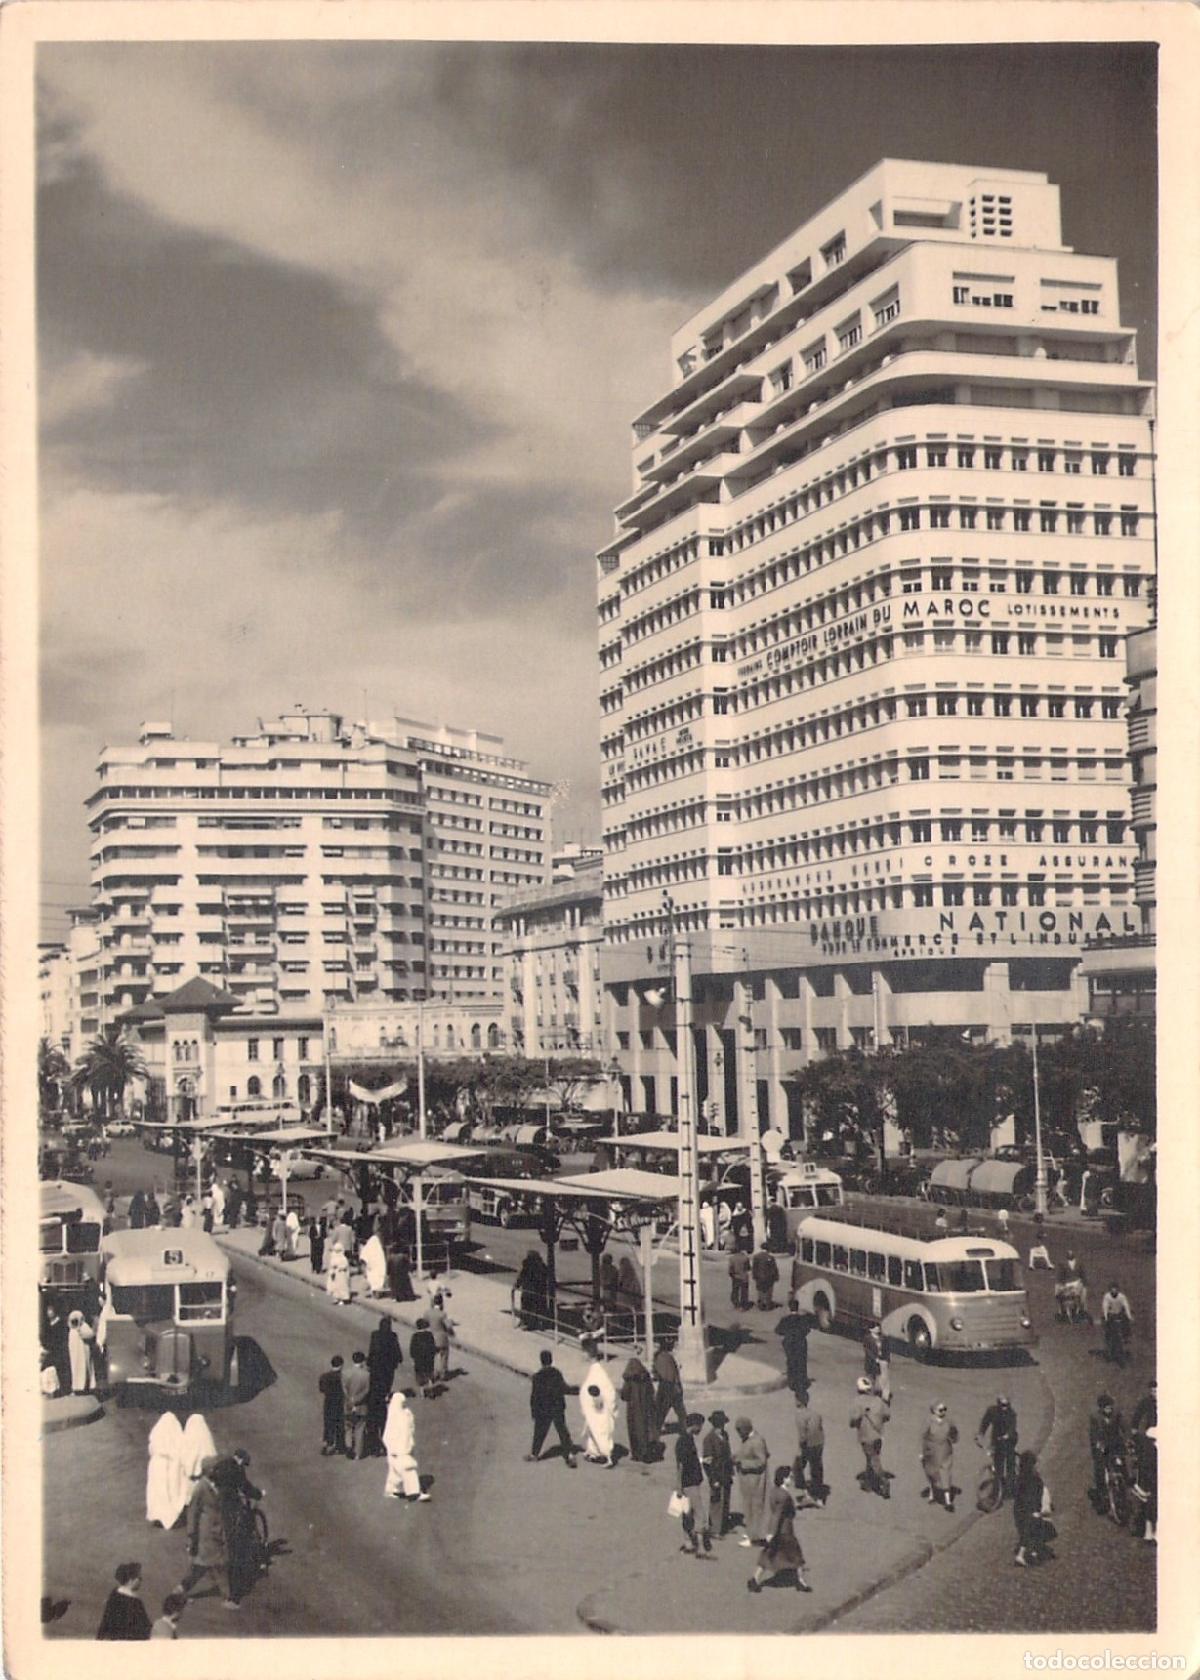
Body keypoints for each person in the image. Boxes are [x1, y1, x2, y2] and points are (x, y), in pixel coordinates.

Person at [178, 1463, 237, 1609]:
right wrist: (192, 1536)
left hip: (216, 1533)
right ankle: (228, 1598)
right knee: (218, 1565)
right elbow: (192, 1513)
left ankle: (179, 1593)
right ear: (208, 1472)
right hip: (206, 1536)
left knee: (200, 1569)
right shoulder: (201, 1488)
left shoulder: (217, 1485)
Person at [747, 1466, 811, 1593]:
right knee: (797, 1556)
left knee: (768, 1554)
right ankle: (800, 1582)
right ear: (783, 1479)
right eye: (790, 1477)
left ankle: (755, 1579)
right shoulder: (784, 1496)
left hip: (778, 1531)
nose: (791, 1480)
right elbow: (778, 1515)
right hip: (785, 1531)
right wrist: (772, 1532)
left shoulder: (774, 1491)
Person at [526, 1349, 577, 1467]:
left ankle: (535, 1454)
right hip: (557, 1407)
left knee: (539, 1432)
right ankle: (569, 1455)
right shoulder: (556, 1373)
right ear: (551, 1360)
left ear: (541, 1361)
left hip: (543, 1409)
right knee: (562, 1431)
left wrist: (534, 1412)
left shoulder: (537, 1377)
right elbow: (564, 1388)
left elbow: (534, 1397)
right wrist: (577, 1390)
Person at [383, 1386, 431, 1502]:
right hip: (400, 1448)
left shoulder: (397, 1412)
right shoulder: (400, 1414)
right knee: (409, 1469)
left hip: (396, 1448)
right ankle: (414, 1492)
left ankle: (391, 1489)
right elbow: (401, 1432)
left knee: (395, 1470)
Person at [365, 1315, 403, 1455]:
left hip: (376, 1367)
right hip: (388, 1367)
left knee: (376, 1384)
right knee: (386, 1383)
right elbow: (396, 1350)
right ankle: (385, 1394)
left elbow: (372, 1350)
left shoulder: (375, 1335)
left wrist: (369, 1362)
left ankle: (380, 1395)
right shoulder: (392, 1336)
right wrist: (398, 1359)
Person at [146, 1411, 190, 1530]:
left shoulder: (156, 1437)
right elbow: (181, 1448)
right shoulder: (174, 1438)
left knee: (157, 1492)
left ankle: (158, 1516)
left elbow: (151, 1448)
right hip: (170, 1466)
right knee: (171, 1491)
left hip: (156, 1466)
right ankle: (171, 1516)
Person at [849, 1375, 891, 1499]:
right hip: (878, 1434)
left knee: (873, 1459)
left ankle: (882, 1480)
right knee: (872, 1457)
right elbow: (887, 1415)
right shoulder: (878, 1401)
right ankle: (868, 1482)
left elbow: (853, 1419)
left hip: (866, 1435)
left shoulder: (857, 1401)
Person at [674, 1413, 709, 1557]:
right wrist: (679, 1486)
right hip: (690, 1484)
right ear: (694, 1425)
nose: (701, 1428)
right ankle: (700, 1547)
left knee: (687, 1514)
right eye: (700, 1425)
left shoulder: (684, 1439)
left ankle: (688, 1542)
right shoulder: (686, 1441)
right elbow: (681, 1466)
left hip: (686, 1483)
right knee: (699, 1515)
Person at [732, 1417, 770, 1547]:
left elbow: (761, 1461)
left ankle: (754, 1538)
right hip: (748, 1480)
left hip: (754, 1481)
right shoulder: (748, 1439)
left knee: (754, 1508)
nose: (738, 1434)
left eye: (739, 1431)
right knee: (748, 1507)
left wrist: (743, 1463)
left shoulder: (757, 1441)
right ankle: (751, 1532)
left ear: (745, 1429)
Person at [1013, 1449, 1053, 1566]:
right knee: (1032, 1528)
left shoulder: (1023, 1479)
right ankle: (1023, 1555)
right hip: (1026, 1513)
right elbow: (1028, 1500)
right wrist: (1036, 1512)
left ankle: (1033, 1552)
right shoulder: (1030, 1480)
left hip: (1022, 1513)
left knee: (1033, 1529)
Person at [976, 1395, 1019, 1501]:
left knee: (1010, 1465)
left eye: (1006, 1405)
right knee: (998, 1466)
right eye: (1002, 1405)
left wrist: (1007, 1435)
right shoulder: (992, 1411)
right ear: (998, 1404)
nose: (1004, 1407)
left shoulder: (1011, 1414)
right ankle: (996, 1491)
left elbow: (1012, 1428)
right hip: (997, 1440)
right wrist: (980, 1434)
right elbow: (985, 1422)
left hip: (1009, 1441)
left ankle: (1011, 1489)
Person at [579, 1354, 619, 1467]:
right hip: (599, 1413)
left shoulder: (596, 1374)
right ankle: (593, 1453)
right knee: (593, 1433)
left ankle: (608, 1458)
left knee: (600, 1435)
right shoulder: (601, 1375)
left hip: (598, 1413)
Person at [701, 1411, 735, 1541]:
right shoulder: (709, 1439)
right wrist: (712, 1478)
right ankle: (714, 1530)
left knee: (725, 1499)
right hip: (716, 1473)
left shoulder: (724, 1435)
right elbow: (707, 1462)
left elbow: (728, 1453)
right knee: (716, 1501)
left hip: (725, 1473)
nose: (722, 1426)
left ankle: (723, 1526)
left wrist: (731, 1470)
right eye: (720, 1424)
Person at [620, 1356, 660, 1463]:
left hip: (633, 1410)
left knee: (634, 1431)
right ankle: (646, 1453)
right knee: (645, 1430)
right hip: (647, 1409)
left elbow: (624, 1395)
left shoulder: (629, 1380)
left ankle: (637, 1454)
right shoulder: (646, 1378)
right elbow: (652, 1392)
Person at [96, 1562, 152, 1639]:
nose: (141, 1581)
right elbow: (144, 1628)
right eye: (139, 1578)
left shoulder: (114, 1595)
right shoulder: (135, 1603)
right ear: (131, 1580)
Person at [920, 1401, 959, 1513]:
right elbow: (922, 1436)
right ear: (934, 1411)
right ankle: (932, 1494)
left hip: (945, 1452)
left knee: (945, 1474)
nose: (943, 1412)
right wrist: (921, 1452)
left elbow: (955, 1433)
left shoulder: (949, 1421)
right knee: (932, 1473)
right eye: (941, 1410)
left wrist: (954, 1439)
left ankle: (948, 1502)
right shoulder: (928, 1421)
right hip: (931, 1452)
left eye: (944, 1409)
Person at [1088, 1393, 1125, 1510]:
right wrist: (1098, 1444)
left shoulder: (1117, 1415)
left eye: (1110, 1407)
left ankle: (1123, 1483)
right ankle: (1103, 1494)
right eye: (1106, 1407)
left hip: (1115, 1443)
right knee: (1100, 1468)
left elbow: (1124, 1427)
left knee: (1121, 1462)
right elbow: (1093, 1434)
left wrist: (1128, 1439)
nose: (1109, 1409)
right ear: (1101, 1408)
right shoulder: (1095, 1418)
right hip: (1102, 1445)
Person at [793, 1385, 826, 1505]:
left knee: (798, 1466)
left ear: (797, 1401)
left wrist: (800, 1448)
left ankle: (806, 1493)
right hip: (819, 1442)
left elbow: (802, 1435)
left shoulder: (799, 1415)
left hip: (809, 1444)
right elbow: (820, 1427)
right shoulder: (815, 1413)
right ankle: (818, 1495)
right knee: (816, 1467)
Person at [775, 1298, 813, 1395]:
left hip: (789, 1342)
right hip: (800, 1342)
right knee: (801, 1362)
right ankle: (801, 1380)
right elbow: (807, 1330)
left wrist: (787, 1333)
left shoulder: (785, 1319)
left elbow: (778, 1330)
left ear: (789, 1308)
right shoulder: (802, 1319)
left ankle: (792, 1381)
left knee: (791, 1360)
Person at [653, 1339, 687, 1435]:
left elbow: (656, 1373)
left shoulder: (657, 1357)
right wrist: (678, 1387)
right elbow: (673, 1374)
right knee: (680, 1410)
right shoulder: (668, 1357)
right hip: (671, 1386)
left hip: (663, 1386)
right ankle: (684, 1428)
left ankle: (656, 1429)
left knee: (661, 1410)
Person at [1131, 1425, 1157, 1543]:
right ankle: (1151, 1532)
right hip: (1151, 1482)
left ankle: (1149, 1532)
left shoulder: (1146, 1451)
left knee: (1148, 1506)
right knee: (1150, 1505)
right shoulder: (1150, 1452)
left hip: (1149, 1482)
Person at [343, 1350, 371, 1459]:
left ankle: (349, 1447)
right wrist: (356, 1400)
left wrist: (350, 1400)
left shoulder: (345, 1373)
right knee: (360, 1429)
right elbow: (367, 1390)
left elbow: (344, 1389)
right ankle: (358, 1453)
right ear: (363, 1361)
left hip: (348, 1405)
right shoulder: (366, 1375)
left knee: (348, 1427)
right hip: (361, 1406)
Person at [1100, 1281, 1133, 1366]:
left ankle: (1126, 1336)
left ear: (1118, 1290)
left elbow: (1126, 1306)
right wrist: (1106, 1316)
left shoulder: (1122, 1297)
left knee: (1125, 1325)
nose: (1114, 1291)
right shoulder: (1107, 1297)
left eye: (1115, 1290)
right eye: (1112, 1290)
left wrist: (1129, 1316)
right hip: (1111, 1315)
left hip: (1119, 1314)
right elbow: (1105, 1307)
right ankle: (1109, 1351)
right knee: (1109, 1332)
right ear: (1110, 1290)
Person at [515, 1249, 549, 1330]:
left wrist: (517, 1285)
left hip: (529, 1289)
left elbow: (521, 1276)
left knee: (528, 1306)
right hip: (538, 1290)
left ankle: (527, 1322)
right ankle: (536, 1323)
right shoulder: (542, 1266)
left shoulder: (527, 1265)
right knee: (537, 1307)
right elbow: (546, 1276)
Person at [320, 1355, 347, 1455]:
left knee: (328, 1423)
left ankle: (327, 1443)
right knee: (339, 1424)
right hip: (339, 1403)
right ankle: (340, 1446)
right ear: (341, 1365)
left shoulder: (324, 1376)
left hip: (328, 1402)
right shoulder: (342, 1377)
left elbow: (321, 1389)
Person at [427, 1293, 455, 1385]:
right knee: (443, 1356)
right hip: (441, 1338)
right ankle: (443, 1374)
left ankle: (432, 1373)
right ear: (441, 1303)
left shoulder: (428, 1312)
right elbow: (448, 1326)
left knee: (432, 1357)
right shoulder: (442, 1314)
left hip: (431, 1337)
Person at [67, 1309, 96, 1394]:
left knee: (84, 1368)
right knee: (75, 1369)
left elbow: (90, 1335)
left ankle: (85, 1387)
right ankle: (77, 1387)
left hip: (83, 1353)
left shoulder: (84, 1326)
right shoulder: (71, 1330)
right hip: (75, 1354)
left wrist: (80, 1329)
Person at [863, 1321, 892, 1404]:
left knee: (883, 1379)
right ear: (871, 1329)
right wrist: (875, 1359)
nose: (878, 1329)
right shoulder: (867, 1338)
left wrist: (886, 1360)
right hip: (871, 1363)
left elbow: (887, 1350)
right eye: (876, 1327)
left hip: (881, 1361)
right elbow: (867, 1351)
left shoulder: (882, 1338)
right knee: (871, 1379)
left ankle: (885, 1397)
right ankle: (869, 1396)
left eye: (878, 1327)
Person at [409, 1318, 437, 1399]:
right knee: (429, 1374)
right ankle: (431, 1388)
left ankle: (422, 1391)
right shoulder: (430, 1335)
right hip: (429, 1359)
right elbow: (433, 1347)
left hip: (419, 1360)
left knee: (420, 1376)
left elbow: (412, 1349)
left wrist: (413, 1358)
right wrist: (433, 1355)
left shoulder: (415, 1336)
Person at [751, 1244, 779, 1311]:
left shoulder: (756, 1256)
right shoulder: (770, 1257)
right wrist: (776, 1277)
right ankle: (767, 1305)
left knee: (760, 1290)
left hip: (759, 1277)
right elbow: (774, 1268)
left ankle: (761, 1305)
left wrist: (754, 1276)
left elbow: (754, 1267)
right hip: (769, 1277)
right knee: (768, 1291)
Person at [361, 1230, 388, 1298]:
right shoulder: (376, 1244)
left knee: (374, 1278)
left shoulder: (371, 1244)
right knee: (377, 1279)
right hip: (376, 1265)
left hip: (373, 1265)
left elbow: (364, 1255)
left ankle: (375, 1292)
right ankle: (376, 1292)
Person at [326, 1241, 351, 1306]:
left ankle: (343, 1299)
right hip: (335, 1274)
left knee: (342, 1286)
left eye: (338, 1251)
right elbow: (331, 1265)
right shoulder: (333, 1257)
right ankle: (336, 1298)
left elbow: (345, 1265)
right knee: (335, 1286)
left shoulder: (343, 1258)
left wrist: (340, 1267)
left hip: (341, 1274)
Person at [728, 1245, 752, 1312]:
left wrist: (731, 1275)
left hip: (736, 1276)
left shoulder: (732, 1258)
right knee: (744, 1292)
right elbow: (748, 1268)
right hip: (744, 1276)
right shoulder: (745, 1258)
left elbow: (730, 1269)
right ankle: (743, 1305)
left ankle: (736, 1304)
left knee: (735, 1291)